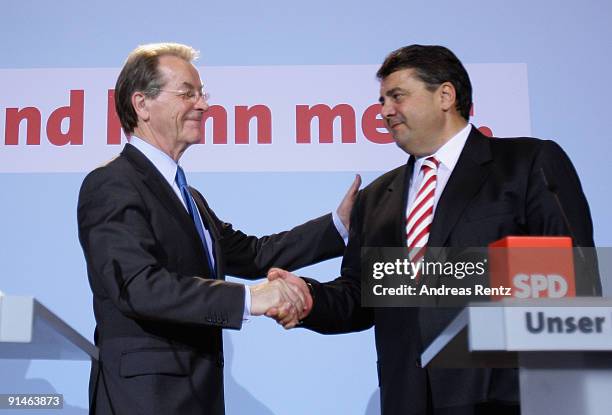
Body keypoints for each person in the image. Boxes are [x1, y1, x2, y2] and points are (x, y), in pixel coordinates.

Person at [268, 44, 600, 414]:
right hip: (408, 399)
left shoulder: (526, 163)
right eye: (381, 101)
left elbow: (570, 275)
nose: (384, 112)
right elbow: (362, 295)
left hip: (508, 398)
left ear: (445, 95)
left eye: (397, 97)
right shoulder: (375, 197)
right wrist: (309, 298)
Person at [77, 42, 359, 415]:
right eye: (187, 93)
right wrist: (249, 299)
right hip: (144, 401)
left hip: (198, 399)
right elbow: (137, 286)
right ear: (141, 104)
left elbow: (255, 253)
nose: (203, 105)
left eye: (202, 93)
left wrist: (339, 225)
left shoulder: (189, 197)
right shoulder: (111, 182)